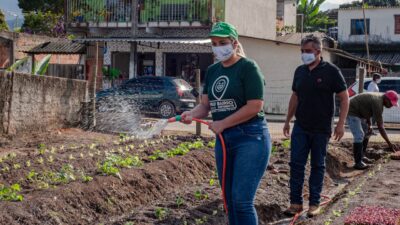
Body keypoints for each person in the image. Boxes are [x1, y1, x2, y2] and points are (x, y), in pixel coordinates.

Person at [180, 22, 271, 225]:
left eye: (223, 42)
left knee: (242, 200)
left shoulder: (248, 67)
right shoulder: (212, 71)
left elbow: (255, 105)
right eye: (214, 43)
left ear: (234, 43)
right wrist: (191, 114)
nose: (218, 47)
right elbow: (205, 106)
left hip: (251, 137)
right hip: (224, 140)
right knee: (229, 200)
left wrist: (223, 123)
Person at [283, 35, 349, 217]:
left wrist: (340, 124)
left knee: (318, 166)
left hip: (321, 128)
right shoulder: (300, 71)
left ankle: (314, 204)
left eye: (308, 51)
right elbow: (295, 96)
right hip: (301, 127)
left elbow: (344, 98)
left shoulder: (331, 71)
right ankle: (295, 203)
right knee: (296, 165)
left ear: (318, 52)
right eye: (302, 51)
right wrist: (288, 120)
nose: (304, 55)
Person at [347, 91, 399, 170]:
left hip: (360, 113)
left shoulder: (379, 99)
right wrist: (389, 144)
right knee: (359, 135)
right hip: (351, 111)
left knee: (367, 133)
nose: (391, 106)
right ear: (386, 99)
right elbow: (381, 127)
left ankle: (362, 157)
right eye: (391, 103)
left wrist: (369, 124)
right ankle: (358, 163)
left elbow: (366, 109)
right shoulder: (378, 103)